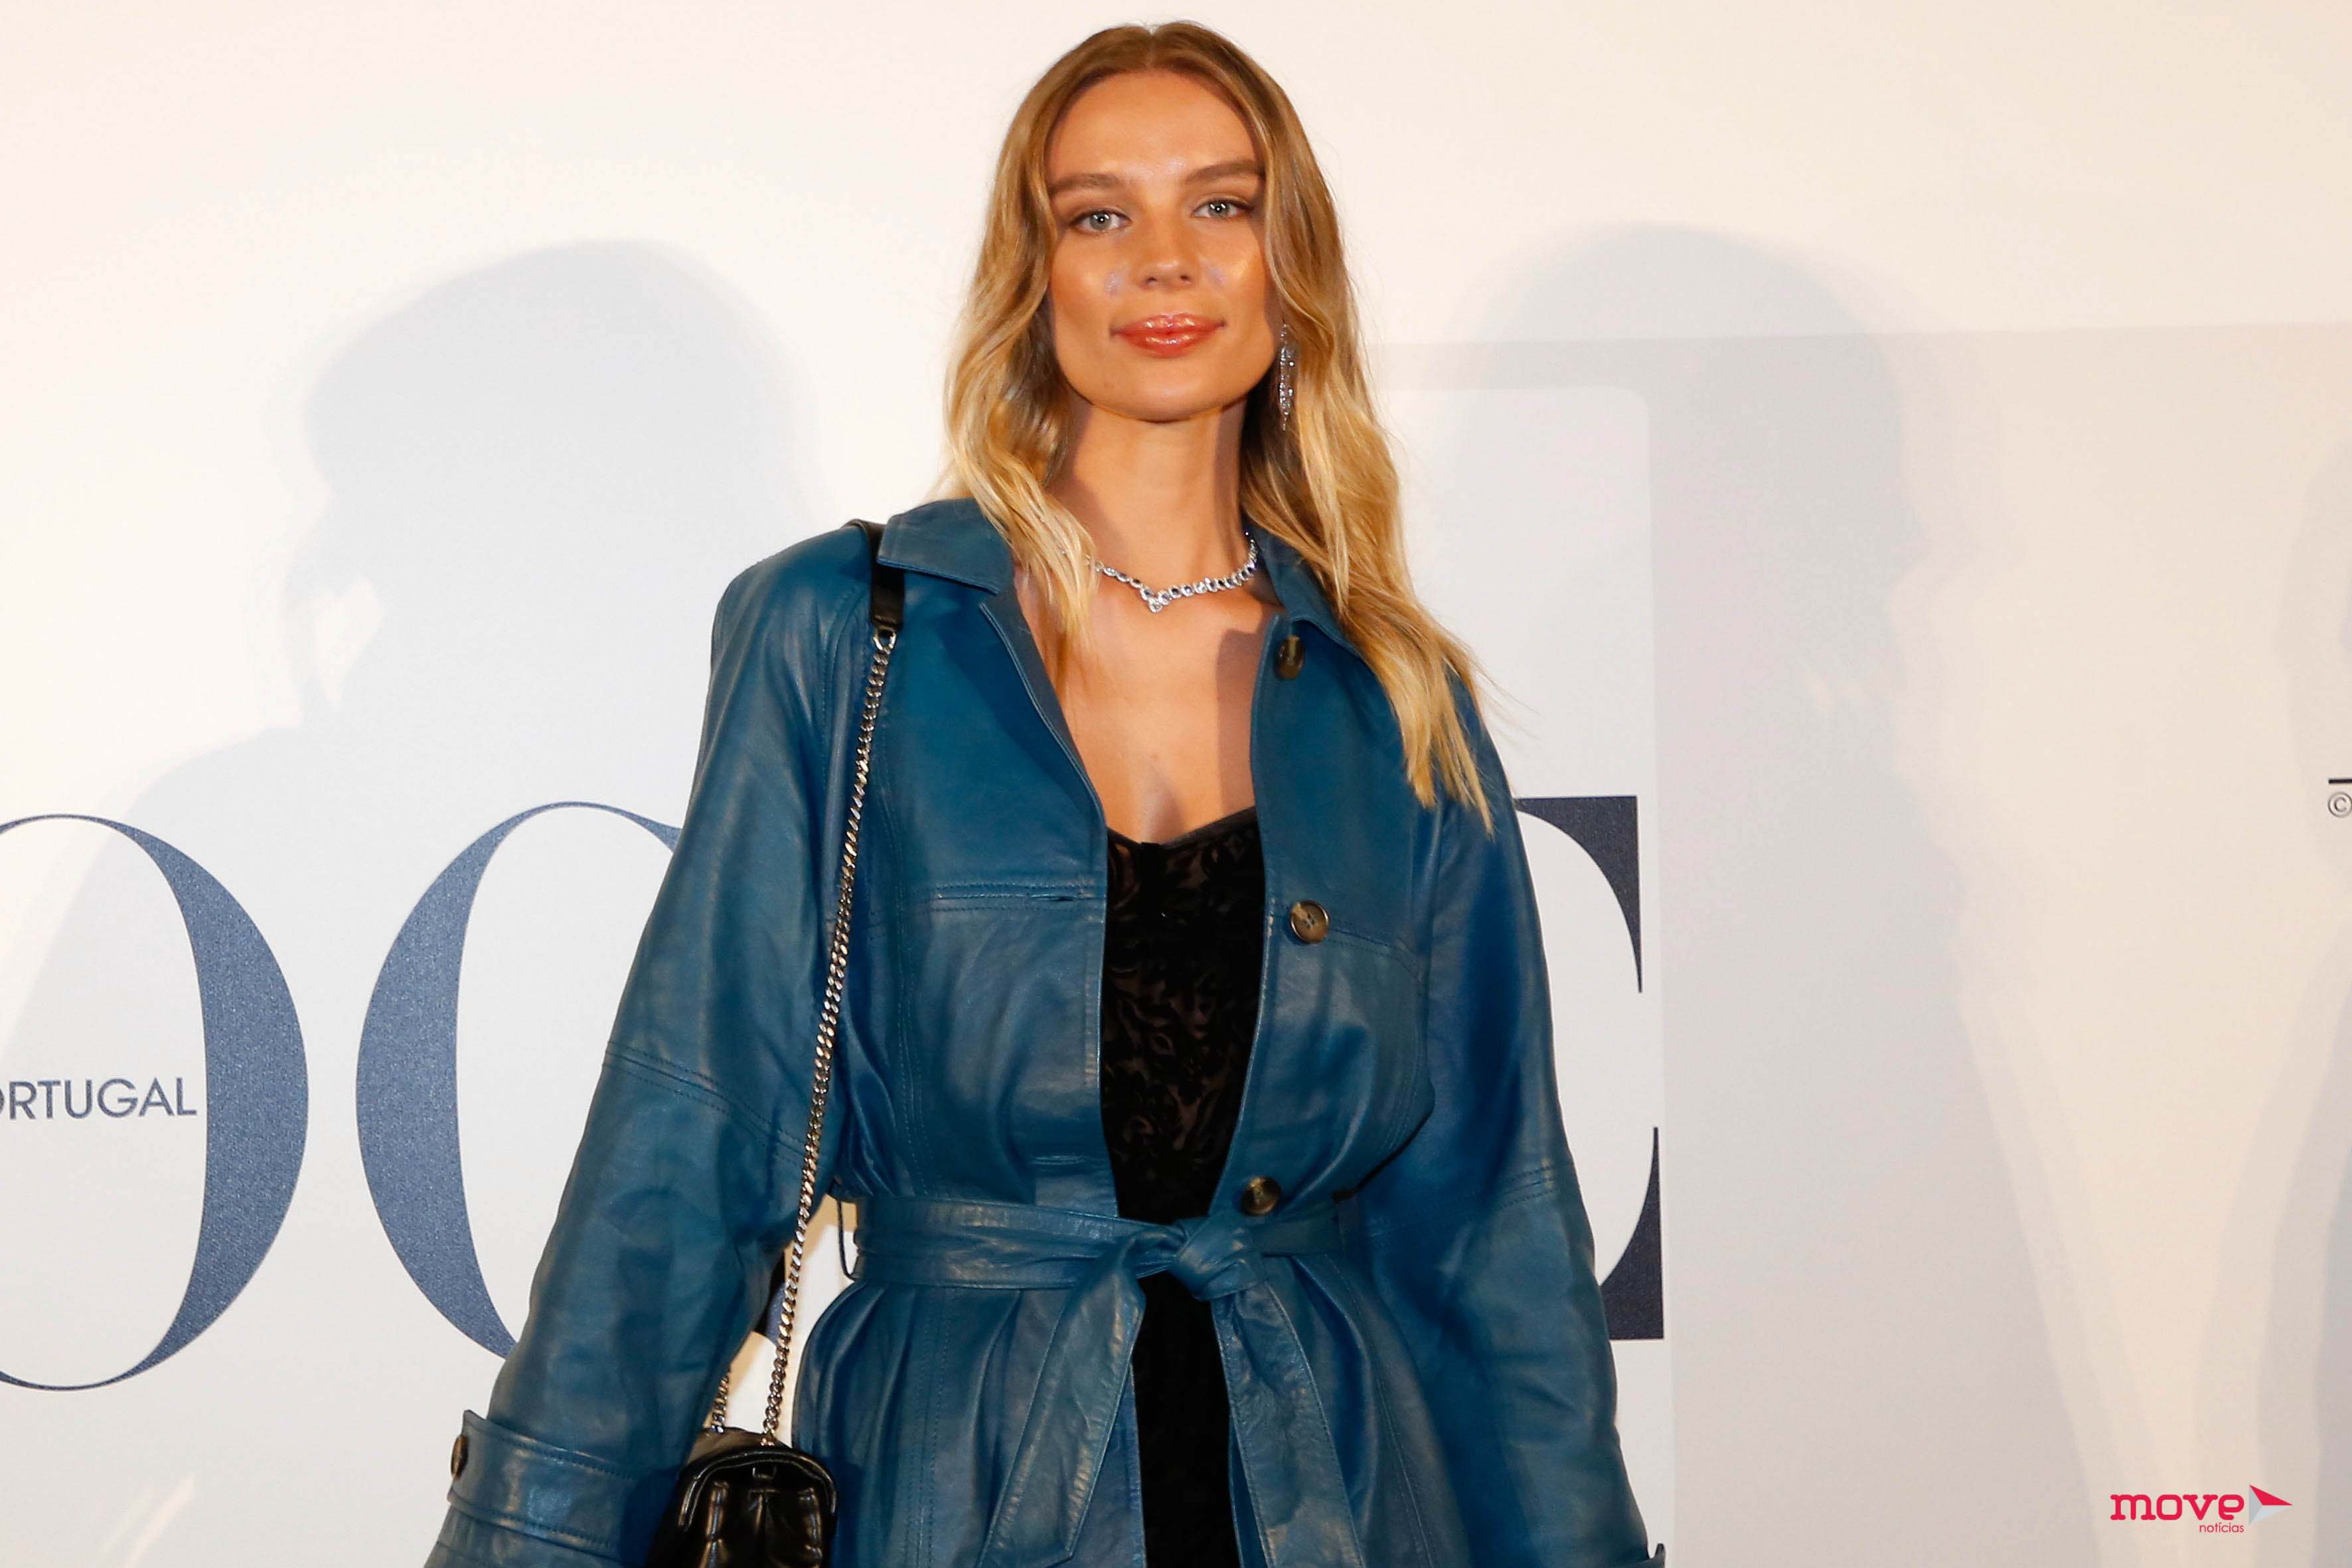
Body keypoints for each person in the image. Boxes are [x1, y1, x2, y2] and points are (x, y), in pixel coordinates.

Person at [425, 21, 1656, 1568]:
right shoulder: (850, 631)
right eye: (1098, 214)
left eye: (1221, 204)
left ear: (1290, 266)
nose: (1164, 258)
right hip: (954, 1481)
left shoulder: (1393, 698)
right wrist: (529, 1538)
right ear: (1035, 277)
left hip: (1326, 1495)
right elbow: (687, 1145)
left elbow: (1489, 1232)